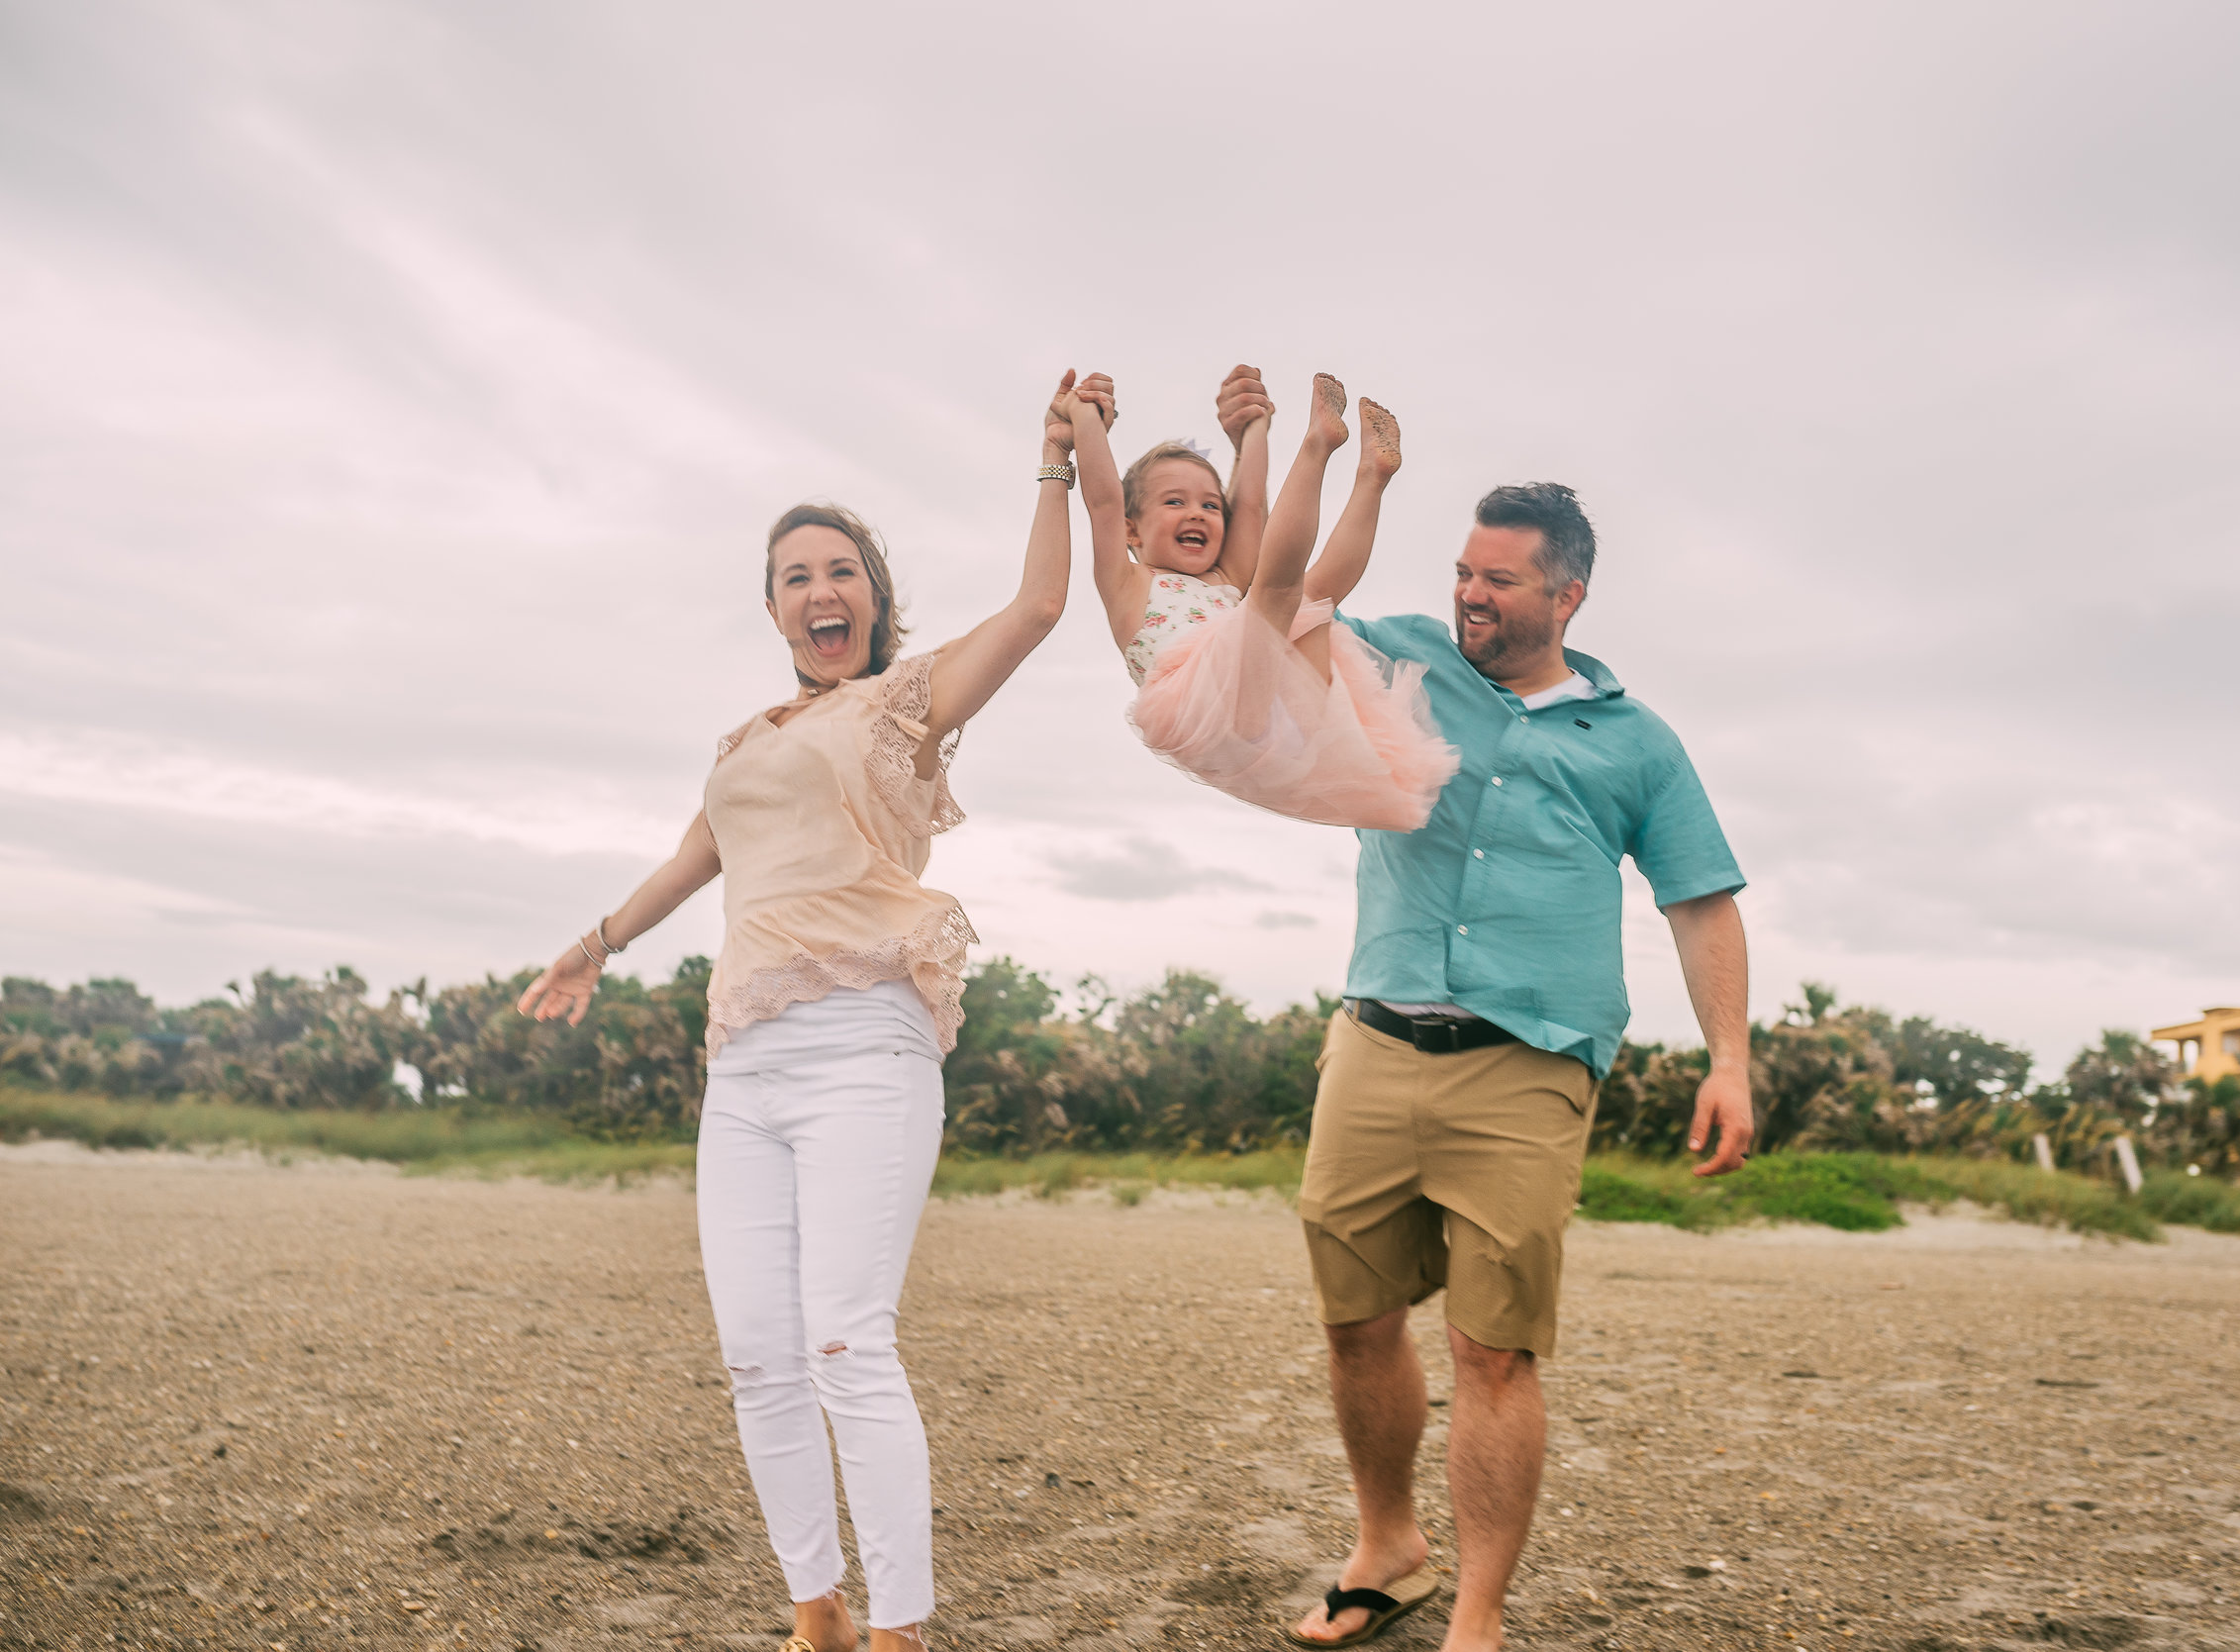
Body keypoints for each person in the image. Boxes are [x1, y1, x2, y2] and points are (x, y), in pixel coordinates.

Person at [515, 371, 1110, 1652]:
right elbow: (693, 862)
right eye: (795, 574)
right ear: (774, 606)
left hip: (865, 1049)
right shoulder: (741, 741)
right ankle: (818, 1616)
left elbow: (1046, 604)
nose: (819, 589)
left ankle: (898, 1632)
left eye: (841, 569)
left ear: (873, 597)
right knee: (759, 1359)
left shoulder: (903, 706)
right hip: (746, 1069)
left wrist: (1057, 462)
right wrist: (593, 945)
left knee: (847, 1343)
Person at [1253, 445, 1756, 1652]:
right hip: (1374, 1036)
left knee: (1494, 1347)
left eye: (1501, 582)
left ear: (1566, 596)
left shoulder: (1636, 741)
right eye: (1464, 573)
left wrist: (1728, 1057)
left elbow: (1700, 900)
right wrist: (1304, 457)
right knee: (1353, 1319)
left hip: (1529, 1063)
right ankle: (1390, 1548)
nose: (1473, 596)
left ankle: (1474, 1616)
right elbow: (1272, 605)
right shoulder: (1402, 654)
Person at [1066, 367, 1458, 831]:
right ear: (1132, 531)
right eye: (1175, 502)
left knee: (1315, 598)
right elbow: (1104, 503)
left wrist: (1256, 428)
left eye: (1210, 506)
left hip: (1285, 719)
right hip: (1202, 711)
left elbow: (1249, 503)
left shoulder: (1226, 578)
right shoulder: (1128, 582)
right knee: (1278, 591)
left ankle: (1374, 475)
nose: (1197, 512)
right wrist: (1084, 417)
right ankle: (1317, 444)